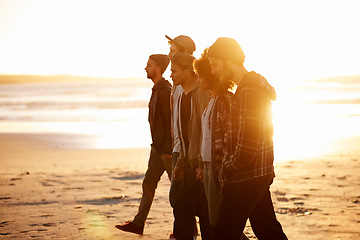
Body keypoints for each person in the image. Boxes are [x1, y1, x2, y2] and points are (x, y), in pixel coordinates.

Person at [207, 37, 288, 240]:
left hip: (245, 177)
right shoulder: (246, 88)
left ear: (229, 60)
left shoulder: (249, 90)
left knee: (223, 234)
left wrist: (227, 168)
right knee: (268, 231)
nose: (214, 71)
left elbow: (248, 144)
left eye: (215, 65)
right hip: (257, 173)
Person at [194, 49, 249, 240]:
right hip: (209, 166)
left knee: (219, 220)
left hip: (218, 166)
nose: (198, 80)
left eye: (200, 76)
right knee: (215, 218)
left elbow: (228, 138)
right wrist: (202, 164)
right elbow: (206, 136)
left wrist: (223, 167)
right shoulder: (212, 100)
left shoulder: (225, 100)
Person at [115, 54, 172, 235]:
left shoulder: (165, 91)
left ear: (158, 68)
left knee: (179, 193)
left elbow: (171, 122)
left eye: (149, 65)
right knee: (148, 184)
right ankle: (138, 224)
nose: (145, 68)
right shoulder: (156, 89)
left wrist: (168, 149)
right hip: (156, 149)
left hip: (167, 151)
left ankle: (189, 226)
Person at [170, 52, 212, 240]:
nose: (171, 75)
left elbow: (206, 132)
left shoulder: (201, 94)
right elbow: (185, 136)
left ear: (188, 72)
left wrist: (202, 164)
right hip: (188, 164)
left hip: (199, 166)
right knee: (199, 211)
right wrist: (179, 162)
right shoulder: (181, 97)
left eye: (175, 71)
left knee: (186, 208)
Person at [166, 35, 199, 239]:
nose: (169, 53)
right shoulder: (177, 83)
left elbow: (195, 124)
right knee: (178, 201)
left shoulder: (195, 85)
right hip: (180, 150)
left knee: (188, 204)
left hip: (193, 154)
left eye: (174, 50)